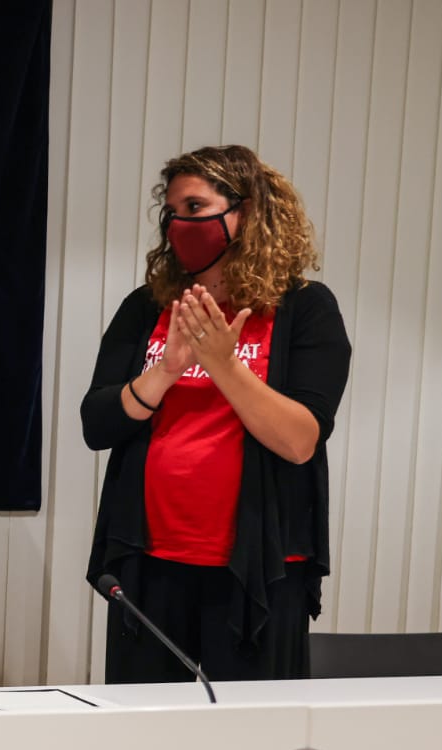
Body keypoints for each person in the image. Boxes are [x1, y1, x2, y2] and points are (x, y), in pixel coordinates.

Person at [81, 144, 351, 683]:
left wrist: (224, 367)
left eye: (196, 208)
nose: (180, 223)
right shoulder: (148, 307)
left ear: (244, 213)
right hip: (150, 560)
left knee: (251, 741)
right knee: (147, 736)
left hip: (259, 570)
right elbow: (97, 424)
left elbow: (300, 440)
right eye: (172, 211)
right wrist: (164, 372)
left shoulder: (305, 309)